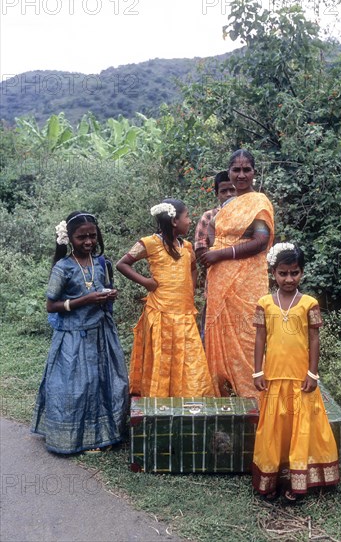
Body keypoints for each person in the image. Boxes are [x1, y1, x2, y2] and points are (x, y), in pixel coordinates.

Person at [31, 211, 129, 454]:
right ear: (69, 239)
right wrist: (85, 300)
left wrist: (109, 295)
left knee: (106, 383)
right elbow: (51, 305)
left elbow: (106, 290)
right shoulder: (62, 268)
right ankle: (75, 437)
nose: (88, 242)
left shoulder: (102, 263)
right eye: (81, 237)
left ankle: (104, 434)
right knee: (78, 387)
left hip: (101, 334)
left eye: (92, 236)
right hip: (74, 338)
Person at [252, 243, 340, 502]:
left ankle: (299, 482)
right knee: (274, 429)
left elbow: (314, 339)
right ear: (273, 273)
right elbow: (259, 339)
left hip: (300, 380)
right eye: (283, 273)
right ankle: (270, 480)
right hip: (274, 377)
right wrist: (257, 372)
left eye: (294, 273)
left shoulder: (309, 303)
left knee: (301, 429)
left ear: (301, 273)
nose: (289, 279)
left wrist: (312, 374)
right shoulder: (264, 303)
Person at [116, 198, 215, 397]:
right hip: (160, 313)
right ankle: (160, 400)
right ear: (174, 221)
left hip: (184, 313)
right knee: (163, 360)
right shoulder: (149, 243)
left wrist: (190, 289)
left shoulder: (186, 247)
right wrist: (146, 282)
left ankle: (191, 398)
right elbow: (122, 264)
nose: (190, 221)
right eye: (187, 217)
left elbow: (193, 268)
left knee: (190, 358)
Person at [200, 149, 274, 397]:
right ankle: (222, 393)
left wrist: (221, 254)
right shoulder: (228, 205)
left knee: (248, 335)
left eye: (246, 170)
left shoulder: (258, 202)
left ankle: (255, 396)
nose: (241, 175)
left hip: (247, 280)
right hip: (221, 279)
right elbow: (213, 230)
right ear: (229, 172)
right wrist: (215, 247)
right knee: (221, 335)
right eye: (236, 170)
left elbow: (261, 241)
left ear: (254, 172)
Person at [194, 170, 236, 262]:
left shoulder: (248, 213)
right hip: (218, 270)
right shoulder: (209, 216)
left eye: (232, 190)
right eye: (224, 191)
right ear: (217, 194)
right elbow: (200, 248)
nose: (229, 194)